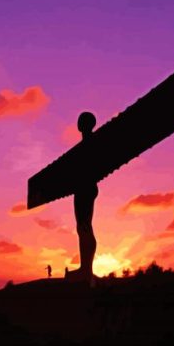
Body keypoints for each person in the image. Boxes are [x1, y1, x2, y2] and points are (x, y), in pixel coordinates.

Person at [65, 112, 98, 284]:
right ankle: (85, 267)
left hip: (86, 187)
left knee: (84, 226)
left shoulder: (92, 143)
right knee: (82, 227)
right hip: (83, 187)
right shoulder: (85, 144)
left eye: (81, 121)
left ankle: (87, 269)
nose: (78, 123)